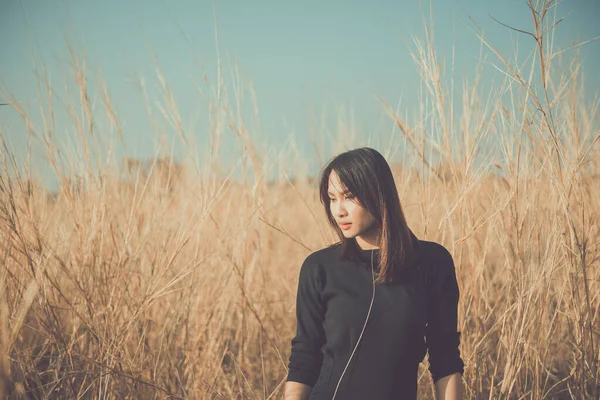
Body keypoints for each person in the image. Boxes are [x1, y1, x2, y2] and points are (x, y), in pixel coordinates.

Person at [284, 148, 465, 400]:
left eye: (348, 196)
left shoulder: (431, 263)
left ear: (378, 194)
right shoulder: (319, 267)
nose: (338, 211)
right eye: (332, 198)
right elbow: (305, 358)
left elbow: (445, 360)